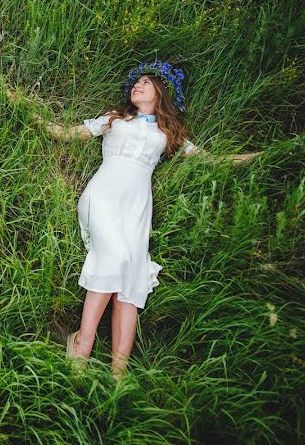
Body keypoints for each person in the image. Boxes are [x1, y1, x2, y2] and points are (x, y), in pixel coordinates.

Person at [13, 60, 259, 379]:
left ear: (161, 92)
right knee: (115, 257)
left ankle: (119, 371)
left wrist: (261, 156)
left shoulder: (168, 133)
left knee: (133, 274)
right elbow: (61, 132)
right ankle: (82, 342)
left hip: (137, 208)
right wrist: (23, 107)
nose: (136, 86)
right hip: (102, 196)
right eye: (134, 83)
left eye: (145, 82)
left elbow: (213, 161)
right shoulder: (113, 119)